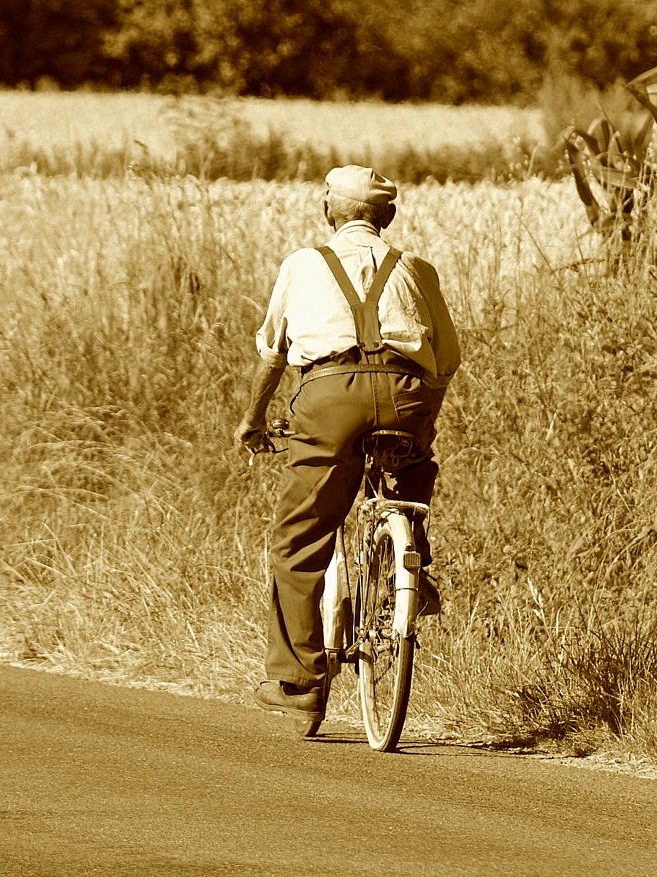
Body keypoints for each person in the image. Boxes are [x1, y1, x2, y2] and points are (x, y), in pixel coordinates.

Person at [234, 165, 462, 726]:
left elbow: (273, 352)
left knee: (300, 537)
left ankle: (299, 683)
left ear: (327, 210)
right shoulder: (416, 268)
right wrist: (422, 417)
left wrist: (252, 419)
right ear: (386, 217)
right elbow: (448, 361)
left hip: (329, 396)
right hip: (405, 392)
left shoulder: (302, 264)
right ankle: (414, 564)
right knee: (413, 469)